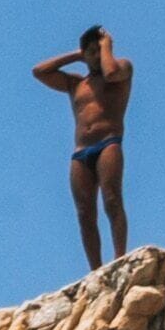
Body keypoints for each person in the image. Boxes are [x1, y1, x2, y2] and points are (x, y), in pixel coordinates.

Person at [33, 26, 132, 269]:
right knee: (85, 213)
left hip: (108, 142)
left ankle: (119, 258)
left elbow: (110, 73)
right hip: (81, 151)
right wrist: (76, 55)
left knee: (111, 200)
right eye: (91, 53)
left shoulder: (122, 68)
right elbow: (39, 71)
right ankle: (95, 269)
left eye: (99, 51)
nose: (96, 57)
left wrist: (106, 46)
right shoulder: (75, 83)